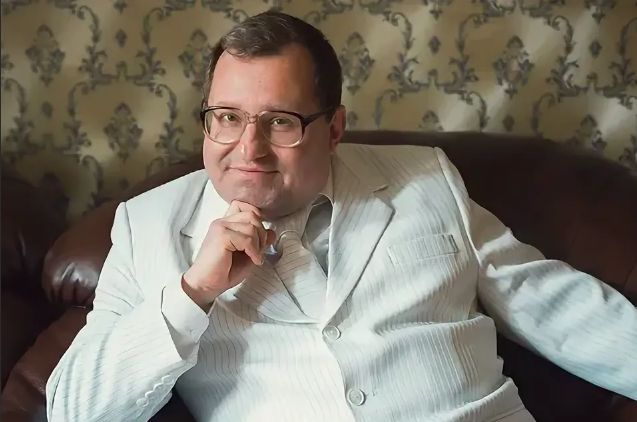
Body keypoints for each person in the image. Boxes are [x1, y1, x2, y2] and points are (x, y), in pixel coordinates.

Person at [46, 11, 636, 422]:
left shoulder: (426, 178)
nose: (248, 149)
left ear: (334, 129)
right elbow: (73, 410)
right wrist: (192, 294)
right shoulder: (143, 226)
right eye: (227, 117)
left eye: (280, 122)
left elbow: (555, 307)